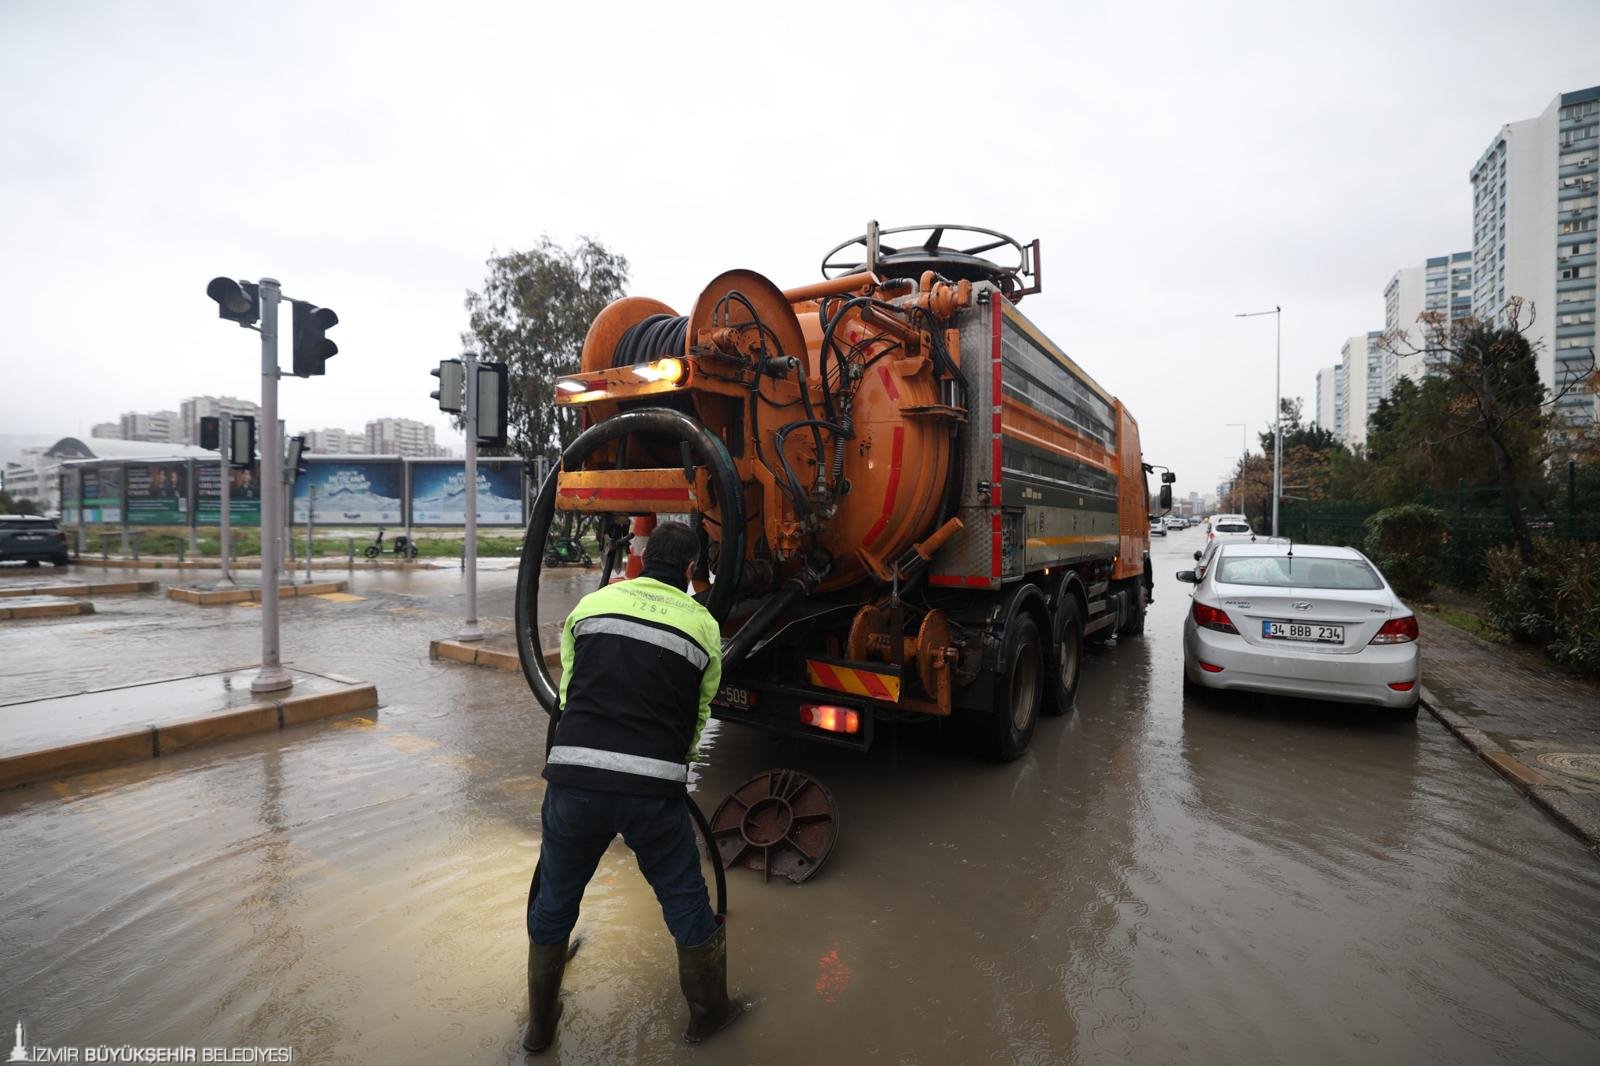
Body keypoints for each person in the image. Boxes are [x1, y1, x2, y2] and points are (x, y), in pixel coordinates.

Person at [522, 521, 741, 1053]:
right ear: (692, 570)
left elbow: (570, 694)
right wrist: (670, 767)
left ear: (640, 556)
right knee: (685, 898)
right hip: (653, 793)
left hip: (574, 779)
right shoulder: (703, 626)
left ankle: (539, 1027)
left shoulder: (592, 606)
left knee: (554, 898)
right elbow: (698, 714)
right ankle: (708, 1018)